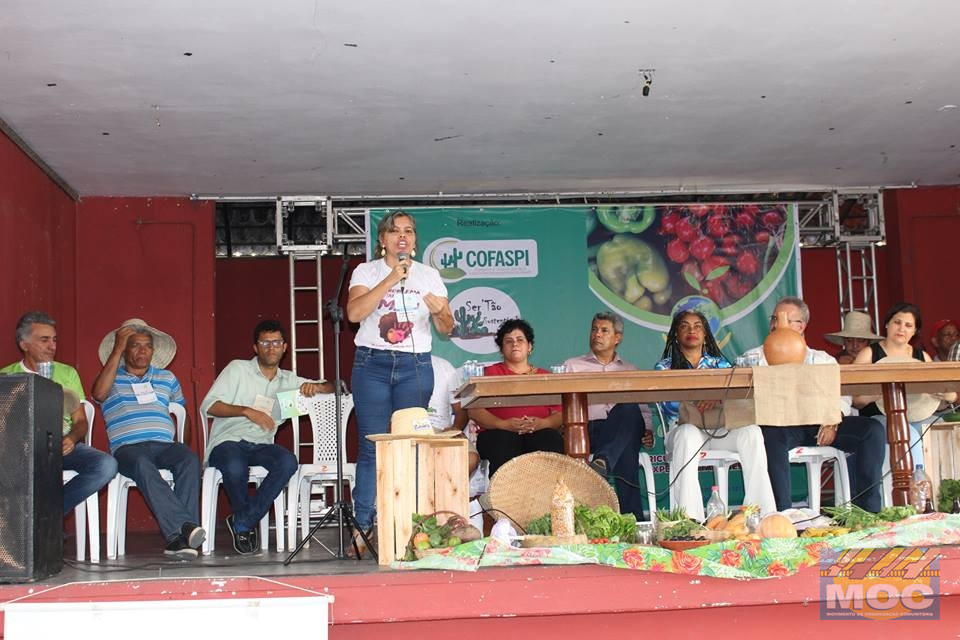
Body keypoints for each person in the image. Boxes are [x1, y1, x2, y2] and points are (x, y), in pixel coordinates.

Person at [346, 210, 454, 551]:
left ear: (415, 240)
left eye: (408, 231)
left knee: (412, 445)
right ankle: (362, 530)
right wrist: (391, 278)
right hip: (372, 364)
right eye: (394, 231)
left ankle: (413, 529)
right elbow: (354, 314)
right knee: (372, 447)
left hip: (415, 367)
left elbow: (448, 329)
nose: (402, 237)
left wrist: (440, 312)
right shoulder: (367, 271)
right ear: (383, 240)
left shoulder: (430, 275)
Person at [742, 296, 886, 512]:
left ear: (802, 326)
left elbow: (841, 394)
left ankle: (866, 512)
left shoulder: (822, 360)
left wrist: (832, 420)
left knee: (872, 429)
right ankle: (781, 514)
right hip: (780, 428)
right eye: (774, 318)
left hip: (820, 425)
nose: (776, 324)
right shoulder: (752, 359)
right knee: (768, 434)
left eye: (786, 319)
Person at [201, 319, 331, 554]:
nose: (271, 347)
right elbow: (209, 406)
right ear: (255, 347)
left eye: (276, 342)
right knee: (234, 463)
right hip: (228, 441)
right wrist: (246, 411)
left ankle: (242, 522)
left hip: (262, 444)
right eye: (265, 342)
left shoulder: (289, 380)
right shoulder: (238, 369)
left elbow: (332, 387)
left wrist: (317, 388)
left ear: (284, 347)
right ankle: (245, 523)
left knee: (288, 461)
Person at [91, 318, 203, 559]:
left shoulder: (167, 378)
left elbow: (182, 413)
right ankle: (185, 527)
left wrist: (182, 444)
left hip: (165, 445)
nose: (143, 350)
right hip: (128, 448)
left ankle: (178, 538)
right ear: (123, 350)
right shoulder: (111, 377)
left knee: (189, 459)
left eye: (147, 345)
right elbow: (98, 393)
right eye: (135, 345)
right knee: (143, 464)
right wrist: (117, 348)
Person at [654, 310, 776, 520]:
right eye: (684, 326)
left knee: (751, 432)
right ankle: (691, 520)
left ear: (705, 334)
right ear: (675, 333)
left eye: (698, 326)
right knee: (687, 434)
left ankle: (761, 514)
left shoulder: (720, 364)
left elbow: (736, 398)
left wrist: (717, 400)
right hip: (685, 431)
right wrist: (701, 398)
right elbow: (669, 406)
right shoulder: (664, 367)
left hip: (720, 431)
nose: (692, 330)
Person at [1, 311, 117, 518]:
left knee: (106, 465)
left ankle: (47, 516)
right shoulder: (7, 376)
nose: (52, 346)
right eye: (44, 340)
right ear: (24, 344)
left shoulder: (67, 373)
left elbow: (81, 421)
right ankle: (34, 525)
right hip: (21, 450)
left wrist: (72, 438)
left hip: (60, 445)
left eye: (54, 340)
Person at [564, 311, 650, 520]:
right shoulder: (573, 366)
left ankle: (602, 462)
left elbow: (643, 409)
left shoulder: (630, 370)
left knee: (628, 411)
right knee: (626, 449)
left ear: (617, 338)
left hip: (623, 427)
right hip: (588, 431)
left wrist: (647, 428)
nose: (597, 335)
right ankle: (635, 523)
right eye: (594, 330)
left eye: (604, 330)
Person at [852, 303, 955, 470]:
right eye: (897, 322)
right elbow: (855, 400)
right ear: (887, 324)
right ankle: (917, 488)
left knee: (942, 430)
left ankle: (944, 489)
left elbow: (937, 404)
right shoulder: (869, 354)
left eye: (908, 325)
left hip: (917, 417)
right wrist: (874, 394)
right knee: (909, 434)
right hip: (880, 420)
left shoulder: (922, 357)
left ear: (914, 331)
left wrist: (944, 397)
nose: (901, 328)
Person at [468, 318, 563, 475]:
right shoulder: (488, 374)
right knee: (503, 442)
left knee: (549, 440)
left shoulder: (546, 376)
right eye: (508, 341)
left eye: (520, 340)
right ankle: (504, 498)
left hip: (540, 430)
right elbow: (474, 411)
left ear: (529, 347)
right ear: (501, 349)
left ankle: (546, 497)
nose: (515, 344)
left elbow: (561, 414)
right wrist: (504, 424)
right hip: (498, 432)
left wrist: (543, 423)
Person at [428, 355, 478, 474]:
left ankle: (444, 492)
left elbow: (461, 410)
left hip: (441, 430)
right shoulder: (391, 363)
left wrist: (454, 430)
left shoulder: (443, 366)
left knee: (470, 458)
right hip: (408, 428)